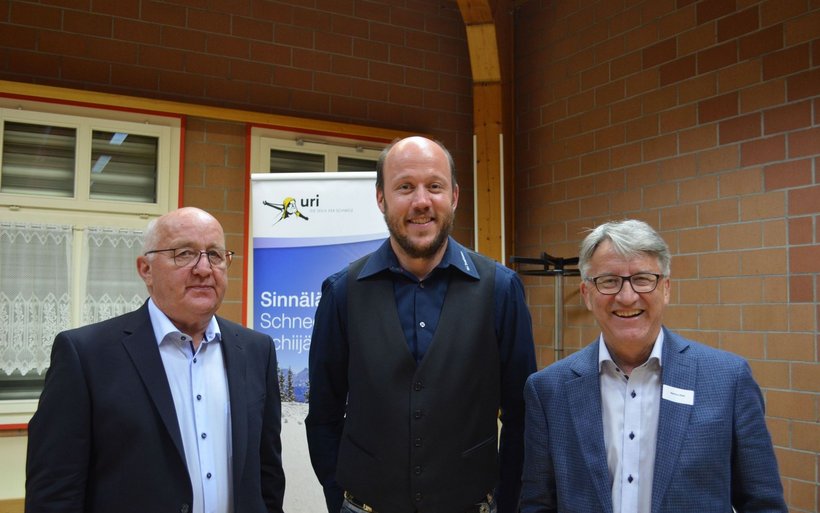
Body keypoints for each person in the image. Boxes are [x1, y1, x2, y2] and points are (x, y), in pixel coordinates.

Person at [306, 136, 536, 513]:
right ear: (381, 198)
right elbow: (323, 417)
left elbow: (521, 417)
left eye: (434, 186)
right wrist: (340, 499)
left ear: (454, 196)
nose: (421, 201)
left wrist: (506, 503)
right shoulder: (342, 293)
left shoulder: (501, 290)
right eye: (405, 187)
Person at [26, 207, 286, 513]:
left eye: (215, 255)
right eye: (185, 254)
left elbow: (267, 477)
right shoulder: (86, 356)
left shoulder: (256, 351)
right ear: (145, 269)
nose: (204, 269)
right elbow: (54, 492)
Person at [519, 219, 787, 513]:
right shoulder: (549, 390)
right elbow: (537, 505)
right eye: (608, 281)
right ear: (586, 294)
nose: (627, 297)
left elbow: (763, 504)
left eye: (643, 279)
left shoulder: (727, 381)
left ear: (666, 288)